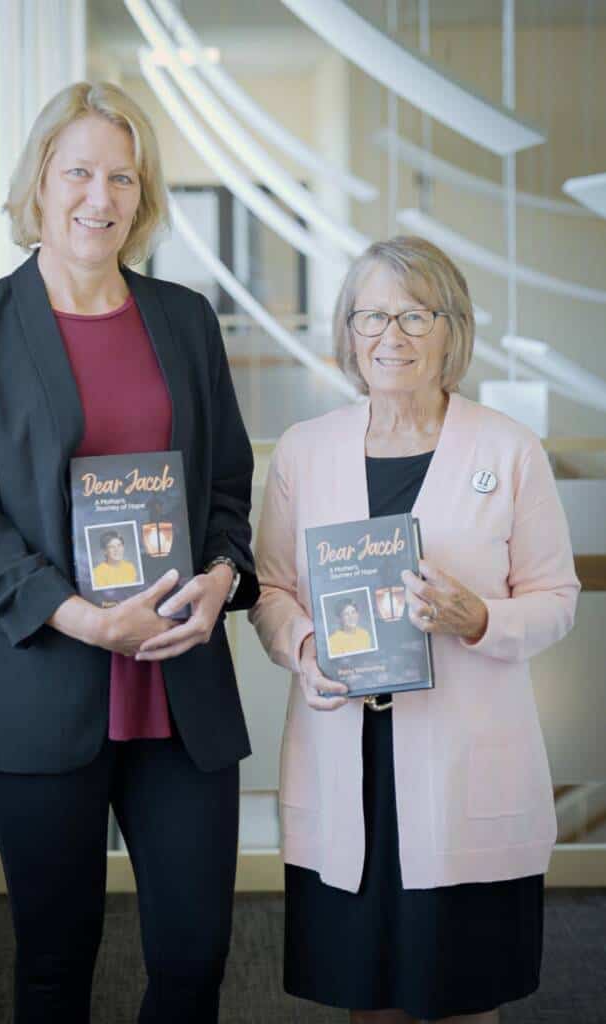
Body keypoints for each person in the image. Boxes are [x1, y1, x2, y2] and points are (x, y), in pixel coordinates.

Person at [0, 81, 258, 1024]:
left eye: (121, 175)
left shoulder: (185, 319)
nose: (99, 196)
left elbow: (227, 488)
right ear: (40, 180)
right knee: (53, 966)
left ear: (142, 195)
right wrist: (83, 618)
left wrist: (222, 575)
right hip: (41, 687)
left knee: (194, 964)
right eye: (78, 171)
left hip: (180, 692)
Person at [250, 236, 580, 1024]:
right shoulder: (305, 451)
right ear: (347, 328)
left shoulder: (507, 448)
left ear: (451, 328)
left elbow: (557, 596)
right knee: (369, 996)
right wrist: (301, 646)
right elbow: (271, 591)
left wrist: (482, 619)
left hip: (464, 763)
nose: (389, 336)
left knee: (464, 995)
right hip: (348, 759)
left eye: (413, 314)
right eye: (370, 315)